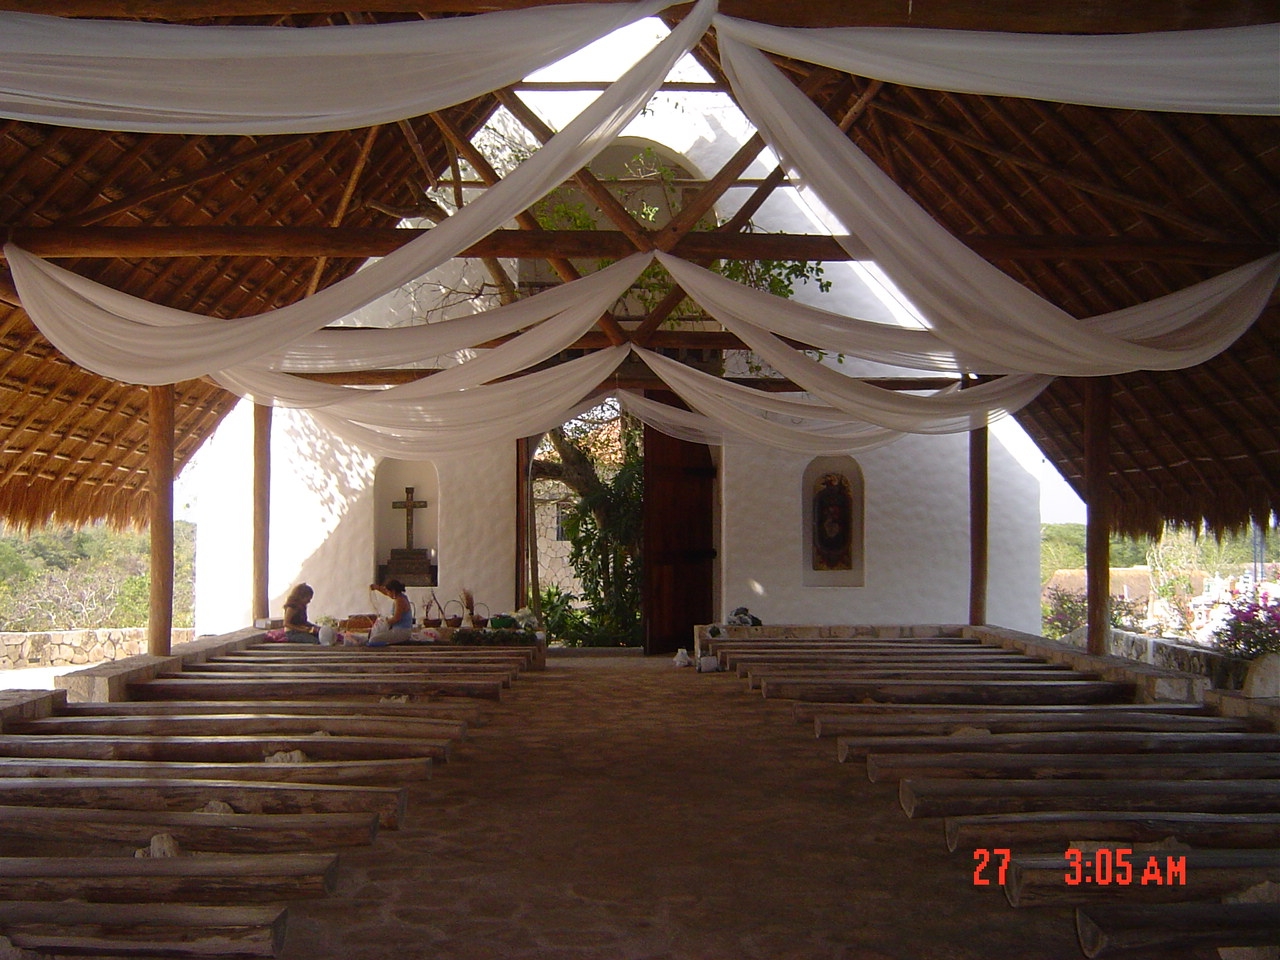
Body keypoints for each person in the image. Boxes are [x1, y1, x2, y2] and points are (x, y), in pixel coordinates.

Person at [367, 579, 414, 646]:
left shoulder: (400, 601)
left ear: (393, 591)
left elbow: (396, 618)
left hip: (402, 632)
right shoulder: (399, 597)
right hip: (398, 630)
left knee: (373, 639)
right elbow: (386, 592)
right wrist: (377, 588)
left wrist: (385, 622)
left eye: (389, 591)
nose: (387, 593)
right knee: (374, 636)